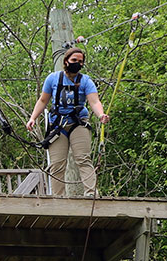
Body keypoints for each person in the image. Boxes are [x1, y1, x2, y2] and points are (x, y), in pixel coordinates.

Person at [26, 44, 109, 198]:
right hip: (58, 124)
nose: (78, 63)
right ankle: (58, 197)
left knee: (83, 158)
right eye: (74, 60)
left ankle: (91, 194)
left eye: (81, 61)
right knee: (57, 163)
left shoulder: (85, 81)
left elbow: (94, 101)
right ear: (66, 61)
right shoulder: (53, 79)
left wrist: (101, 115)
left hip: (78, 123)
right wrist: (33, 118)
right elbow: (43, 100)